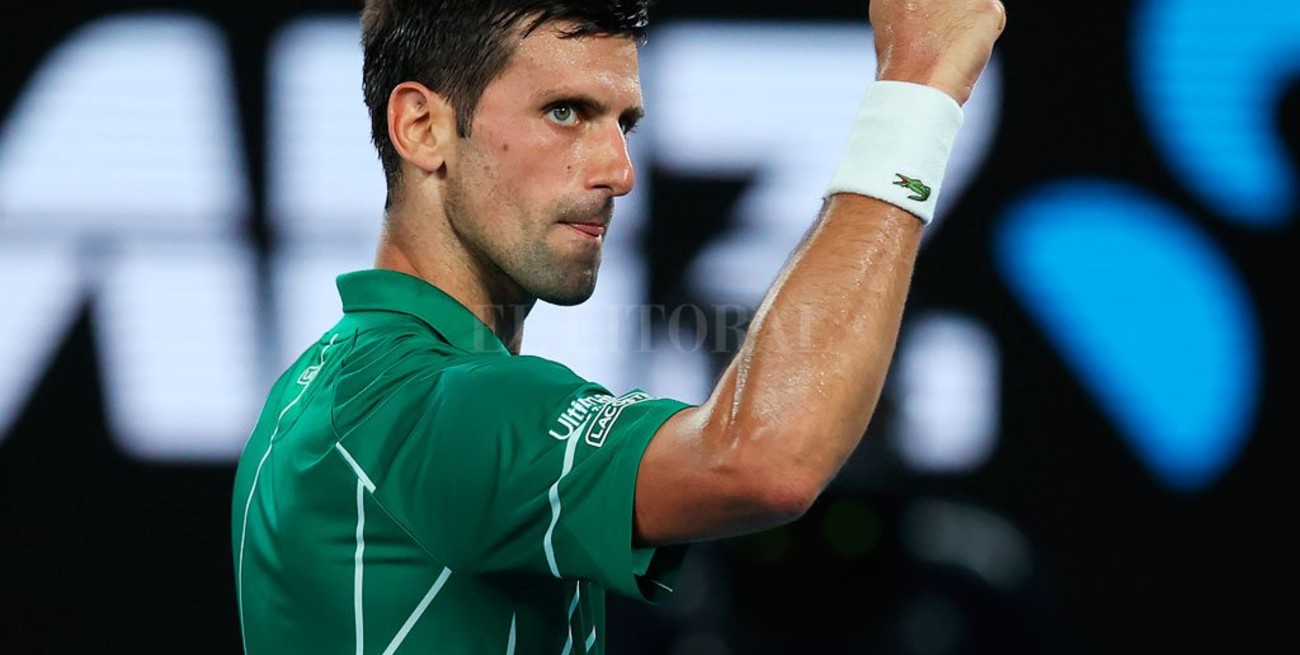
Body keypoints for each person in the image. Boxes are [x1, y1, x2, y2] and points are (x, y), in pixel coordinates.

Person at [230, 0, 1006, 652]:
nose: (619, 171)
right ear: (421, 126)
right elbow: (765, 457)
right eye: (564, 112)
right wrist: (917, 87)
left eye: (623, 122)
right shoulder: (424, 405)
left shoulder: (321, 388)